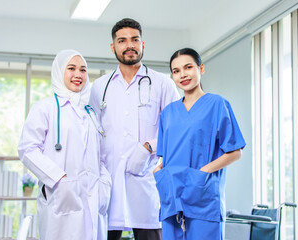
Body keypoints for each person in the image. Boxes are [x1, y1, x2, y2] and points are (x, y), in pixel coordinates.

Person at [89, 18, 180, 240]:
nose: (129, 45)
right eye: (122, 40)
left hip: (146, 180)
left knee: (150, 231)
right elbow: (91, 132)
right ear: (113, 47)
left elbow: (177, 128)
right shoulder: (100, 87)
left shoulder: (162, 83)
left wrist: (150, 146)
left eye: (134, 39)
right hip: (108, 180)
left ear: (142, 44)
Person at [18, 49, 112, 240]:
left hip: (94, 197)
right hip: (60, 196)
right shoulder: (45, 108)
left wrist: (105, 183)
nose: (78, 74)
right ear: (59, 72)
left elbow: (100, 156)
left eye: (83, 70)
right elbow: (27, 149)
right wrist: (59, 179)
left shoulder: (91, 113)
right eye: (71, 68)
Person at [153, 48, 246, 240]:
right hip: (172, 195)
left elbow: (235, 152)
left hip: (203, 194)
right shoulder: (168, 113)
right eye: (176, 71)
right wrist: (158, 172)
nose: (182, 75)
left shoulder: (217, 104)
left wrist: (202, 173)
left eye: (188, 67)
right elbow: (165, 155)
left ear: (201, 68)